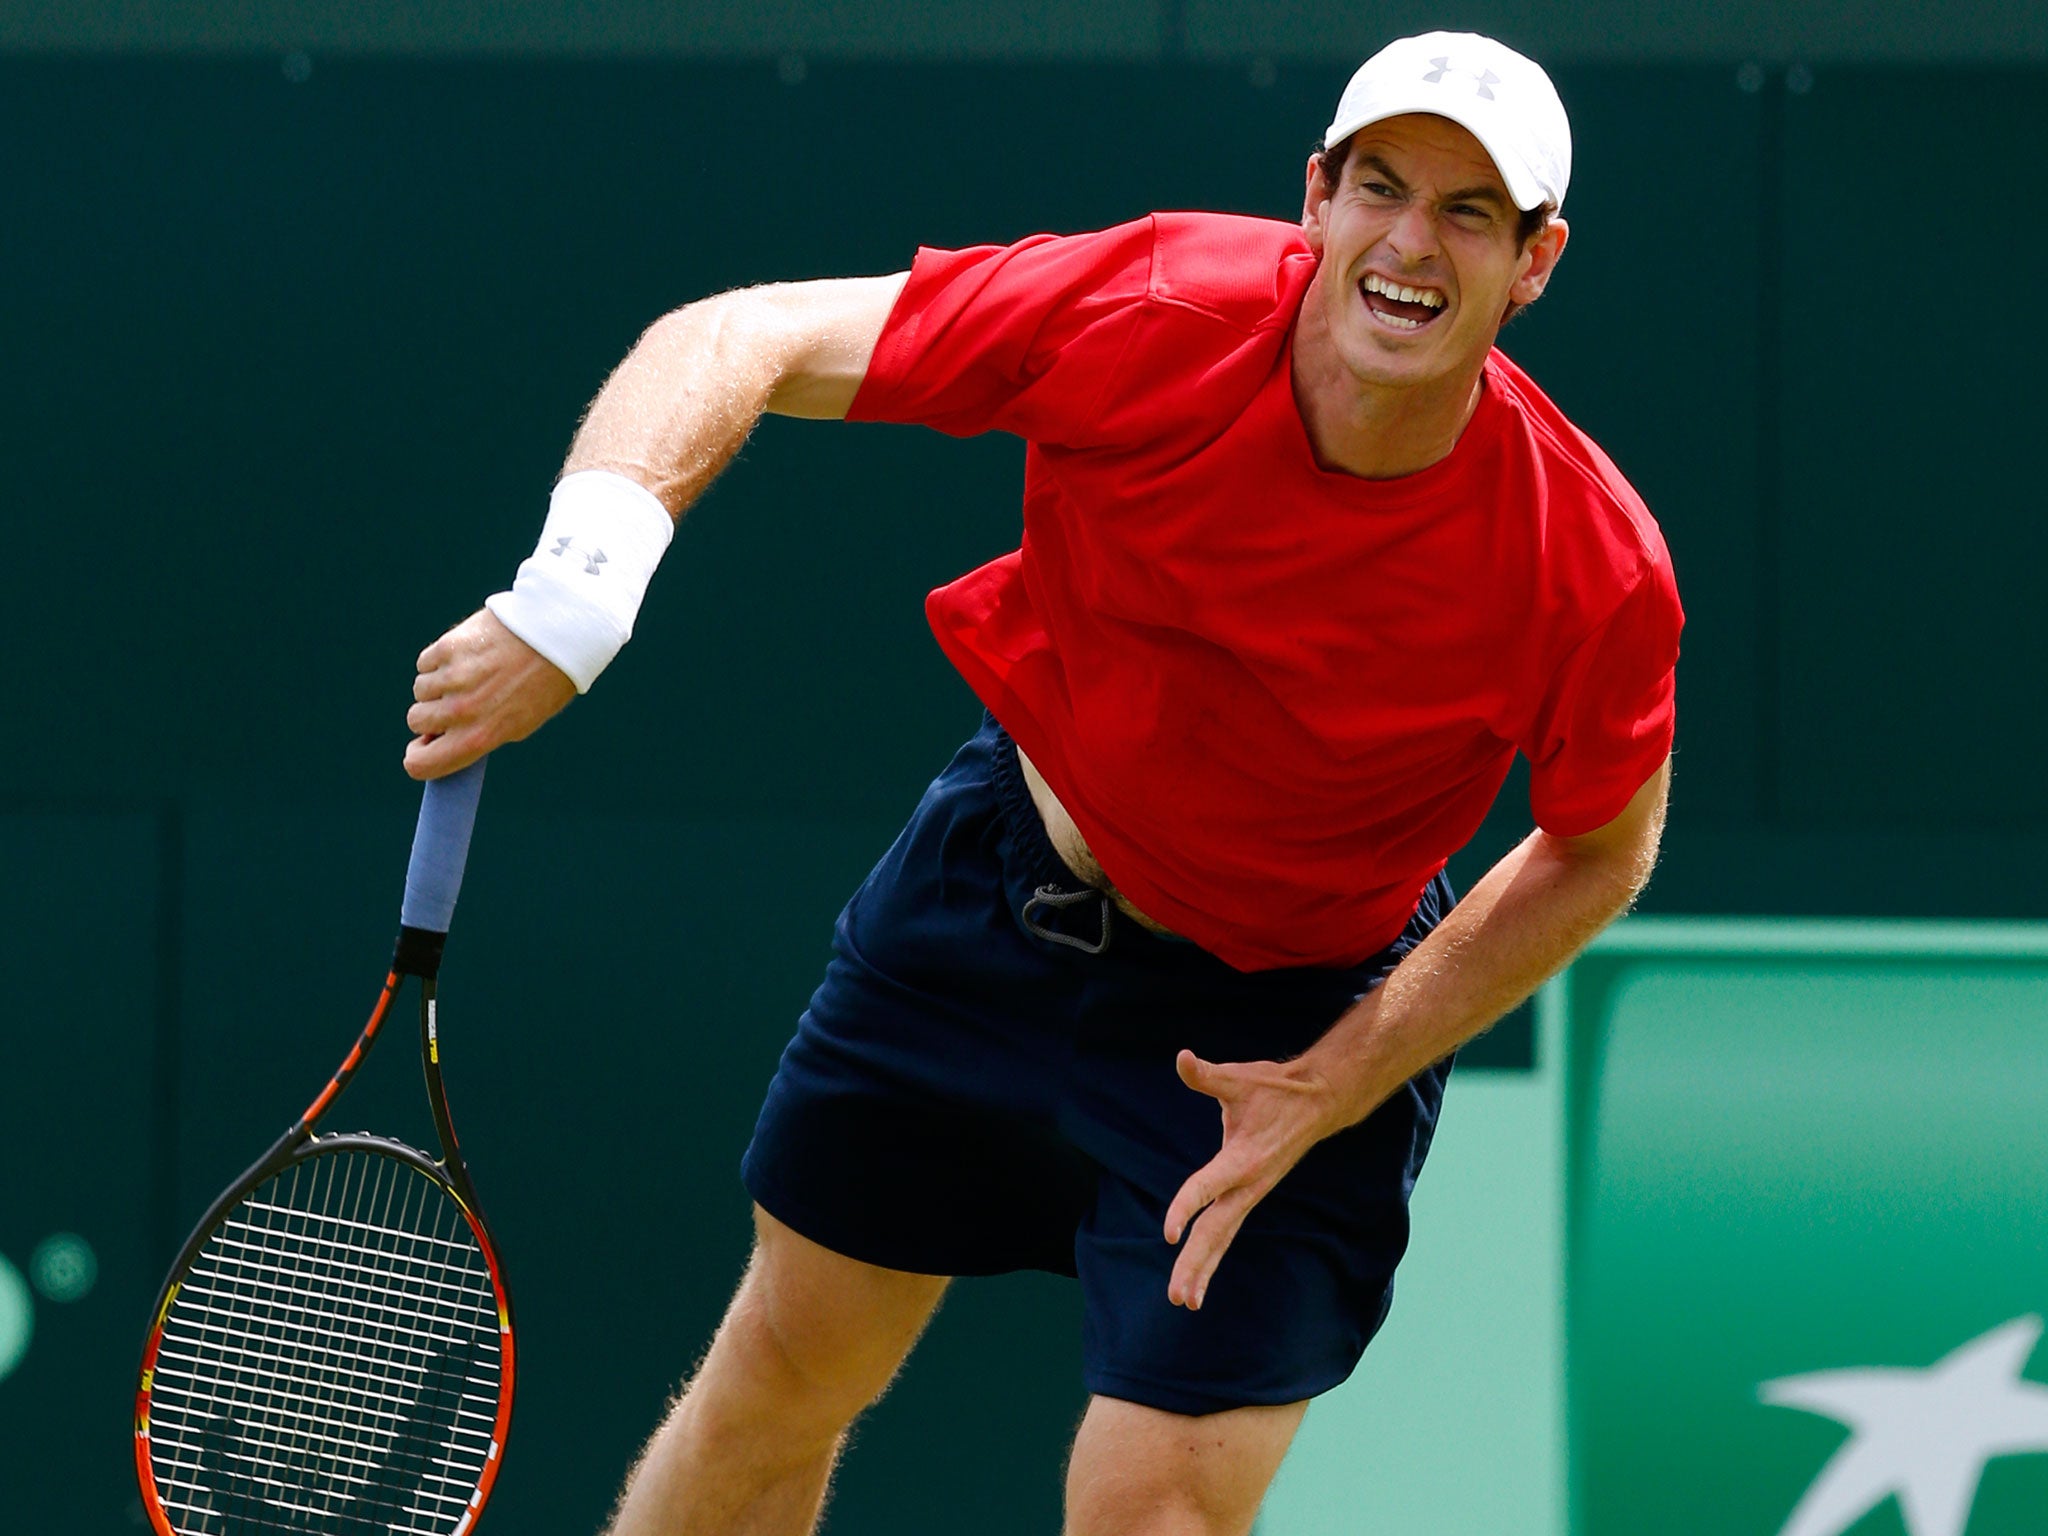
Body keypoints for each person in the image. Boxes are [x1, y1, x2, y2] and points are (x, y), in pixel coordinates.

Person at [404, 29, 1680, 1536]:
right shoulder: (1151, 309)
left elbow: (1600, 851)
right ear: (1317, 197)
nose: (1411, 243)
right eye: (1382, 188)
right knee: (777, 1384)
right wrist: (580, 594)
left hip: (1283, 1026)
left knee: (1160, 1510)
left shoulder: (1585, 562)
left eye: (1470, 213)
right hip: (1001, 897)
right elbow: (737, 337)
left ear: (1536, 262)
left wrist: (1338, 1080)